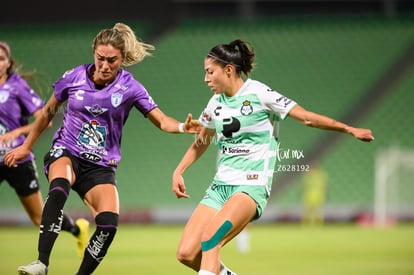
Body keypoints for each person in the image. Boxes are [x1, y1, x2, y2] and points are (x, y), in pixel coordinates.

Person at [4, 23, 201, 275]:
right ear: (93, 53)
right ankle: (42, 263)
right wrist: (25, 147)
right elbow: (46, 114)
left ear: (122, 59)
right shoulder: (73, 77)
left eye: (112, 60)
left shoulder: (130, 87)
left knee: (108, 224)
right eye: (100, 59)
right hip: (67, 151)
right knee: (59, 187)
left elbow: (162, 120)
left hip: (100, 165)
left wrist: (184, 127)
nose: (105, 65)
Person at [171, 39, 374, 275]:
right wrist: (179, 170)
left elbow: (306, 117)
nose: (205, 79)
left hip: (250, 186)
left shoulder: (259, 93)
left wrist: (349, 129)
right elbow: (201, 142)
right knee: (186, 253)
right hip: (220, 187)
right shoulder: (215, 103)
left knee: (210, 239)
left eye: (209, 72)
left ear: (228, 70)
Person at [0, 40, 90, 259]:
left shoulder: (16, 85)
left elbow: (45, 119)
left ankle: (78, 229)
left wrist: (16, 133)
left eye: (1, 58)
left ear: (8, 63)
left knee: (39, 218)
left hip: (16, 159)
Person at [302, 161, 328, 225]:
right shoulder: (307, 176)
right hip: (309, 195)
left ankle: (317, 224)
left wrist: (324, 193)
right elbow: (305, 186)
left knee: (317, 211)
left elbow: (324, 186)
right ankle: (308, 224)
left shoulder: (321, 176)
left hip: (318, 195)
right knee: (308, 211)